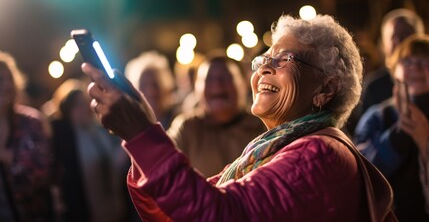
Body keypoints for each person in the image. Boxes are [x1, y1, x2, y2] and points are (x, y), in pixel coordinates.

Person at [82, 14, 395, 221]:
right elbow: (169, 211)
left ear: (326, 88)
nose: (263, 69)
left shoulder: (320, 154)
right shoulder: (269, 151)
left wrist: (143, 135)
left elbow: (218, 215)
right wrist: (140, 129)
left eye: (285, 59)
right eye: (264, 59)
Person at [354, 34, 429, 221]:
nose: (415, 68)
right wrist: (397, 137)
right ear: (394, 70)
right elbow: (363, 172)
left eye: (424, 61)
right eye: (407, 61)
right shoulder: (378, 116)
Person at [167, 52, 266, 177]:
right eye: (208, 79)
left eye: (226, 78)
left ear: (244, 83)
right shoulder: (187, 128)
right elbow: (163, 166)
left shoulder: (262, 124)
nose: (217, 84)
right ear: (196, 87)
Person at [48, 79, 127, 222]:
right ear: (67, 109)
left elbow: (115, 163)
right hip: (85, 211)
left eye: (85, 102)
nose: (84, 108)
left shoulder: (100, 130)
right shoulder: (64, 139)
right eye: (78, 104)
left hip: (113, 206)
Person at [0, 51, 53, 221]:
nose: (6, 85)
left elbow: (43, 173)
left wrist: (8, 158)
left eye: (9, 79)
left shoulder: (31, 122)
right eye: (0, 80)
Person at [360, 8, 425, 115]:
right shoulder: (374, 88)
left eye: (405, 34)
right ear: (384, 45)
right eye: (393, 37)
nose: (399, 41)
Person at [125, 50, 178, 129]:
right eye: (143, 85)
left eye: (155, 84)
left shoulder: (178, 123)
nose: (151, 92)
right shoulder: (130, 126)